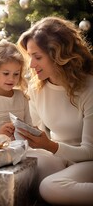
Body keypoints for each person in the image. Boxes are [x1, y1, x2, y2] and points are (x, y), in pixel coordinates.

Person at [17, 16, 93, 205]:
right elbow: (36, 134)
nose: (32, 65)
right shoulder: (36, 89)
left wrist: (50, 145)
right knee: (25, 173)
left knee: (49, 187)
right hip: (58, 158)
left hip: (87, 161)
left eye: (38, 57)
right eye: (30, 56)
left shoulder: (89, 88)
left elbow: (89, 151)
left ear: (58, 55)